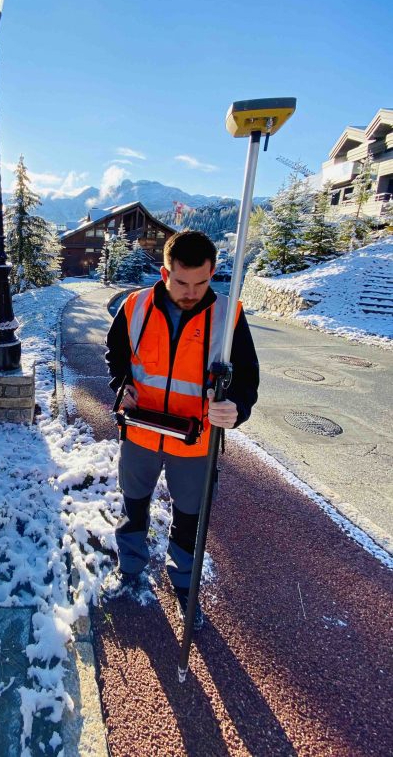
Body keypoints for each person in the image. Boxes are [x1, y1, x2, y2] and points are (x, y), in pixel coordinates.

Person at [104, 230, 259, 628]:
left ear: (213, 274)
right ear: (164, 272)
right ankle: (130, 567)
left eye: (202, 282)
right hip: (140, 431)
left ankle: (184, 586)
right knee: (133, 502)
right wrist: (123, 386)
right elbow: (116, 354)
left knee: (190, 515)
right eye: (181, 282)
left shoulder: (229, 317)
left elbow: (247, 381)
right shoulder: (135, 306)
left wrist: (235, 408)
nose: (191, 292)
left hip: (196, 441)